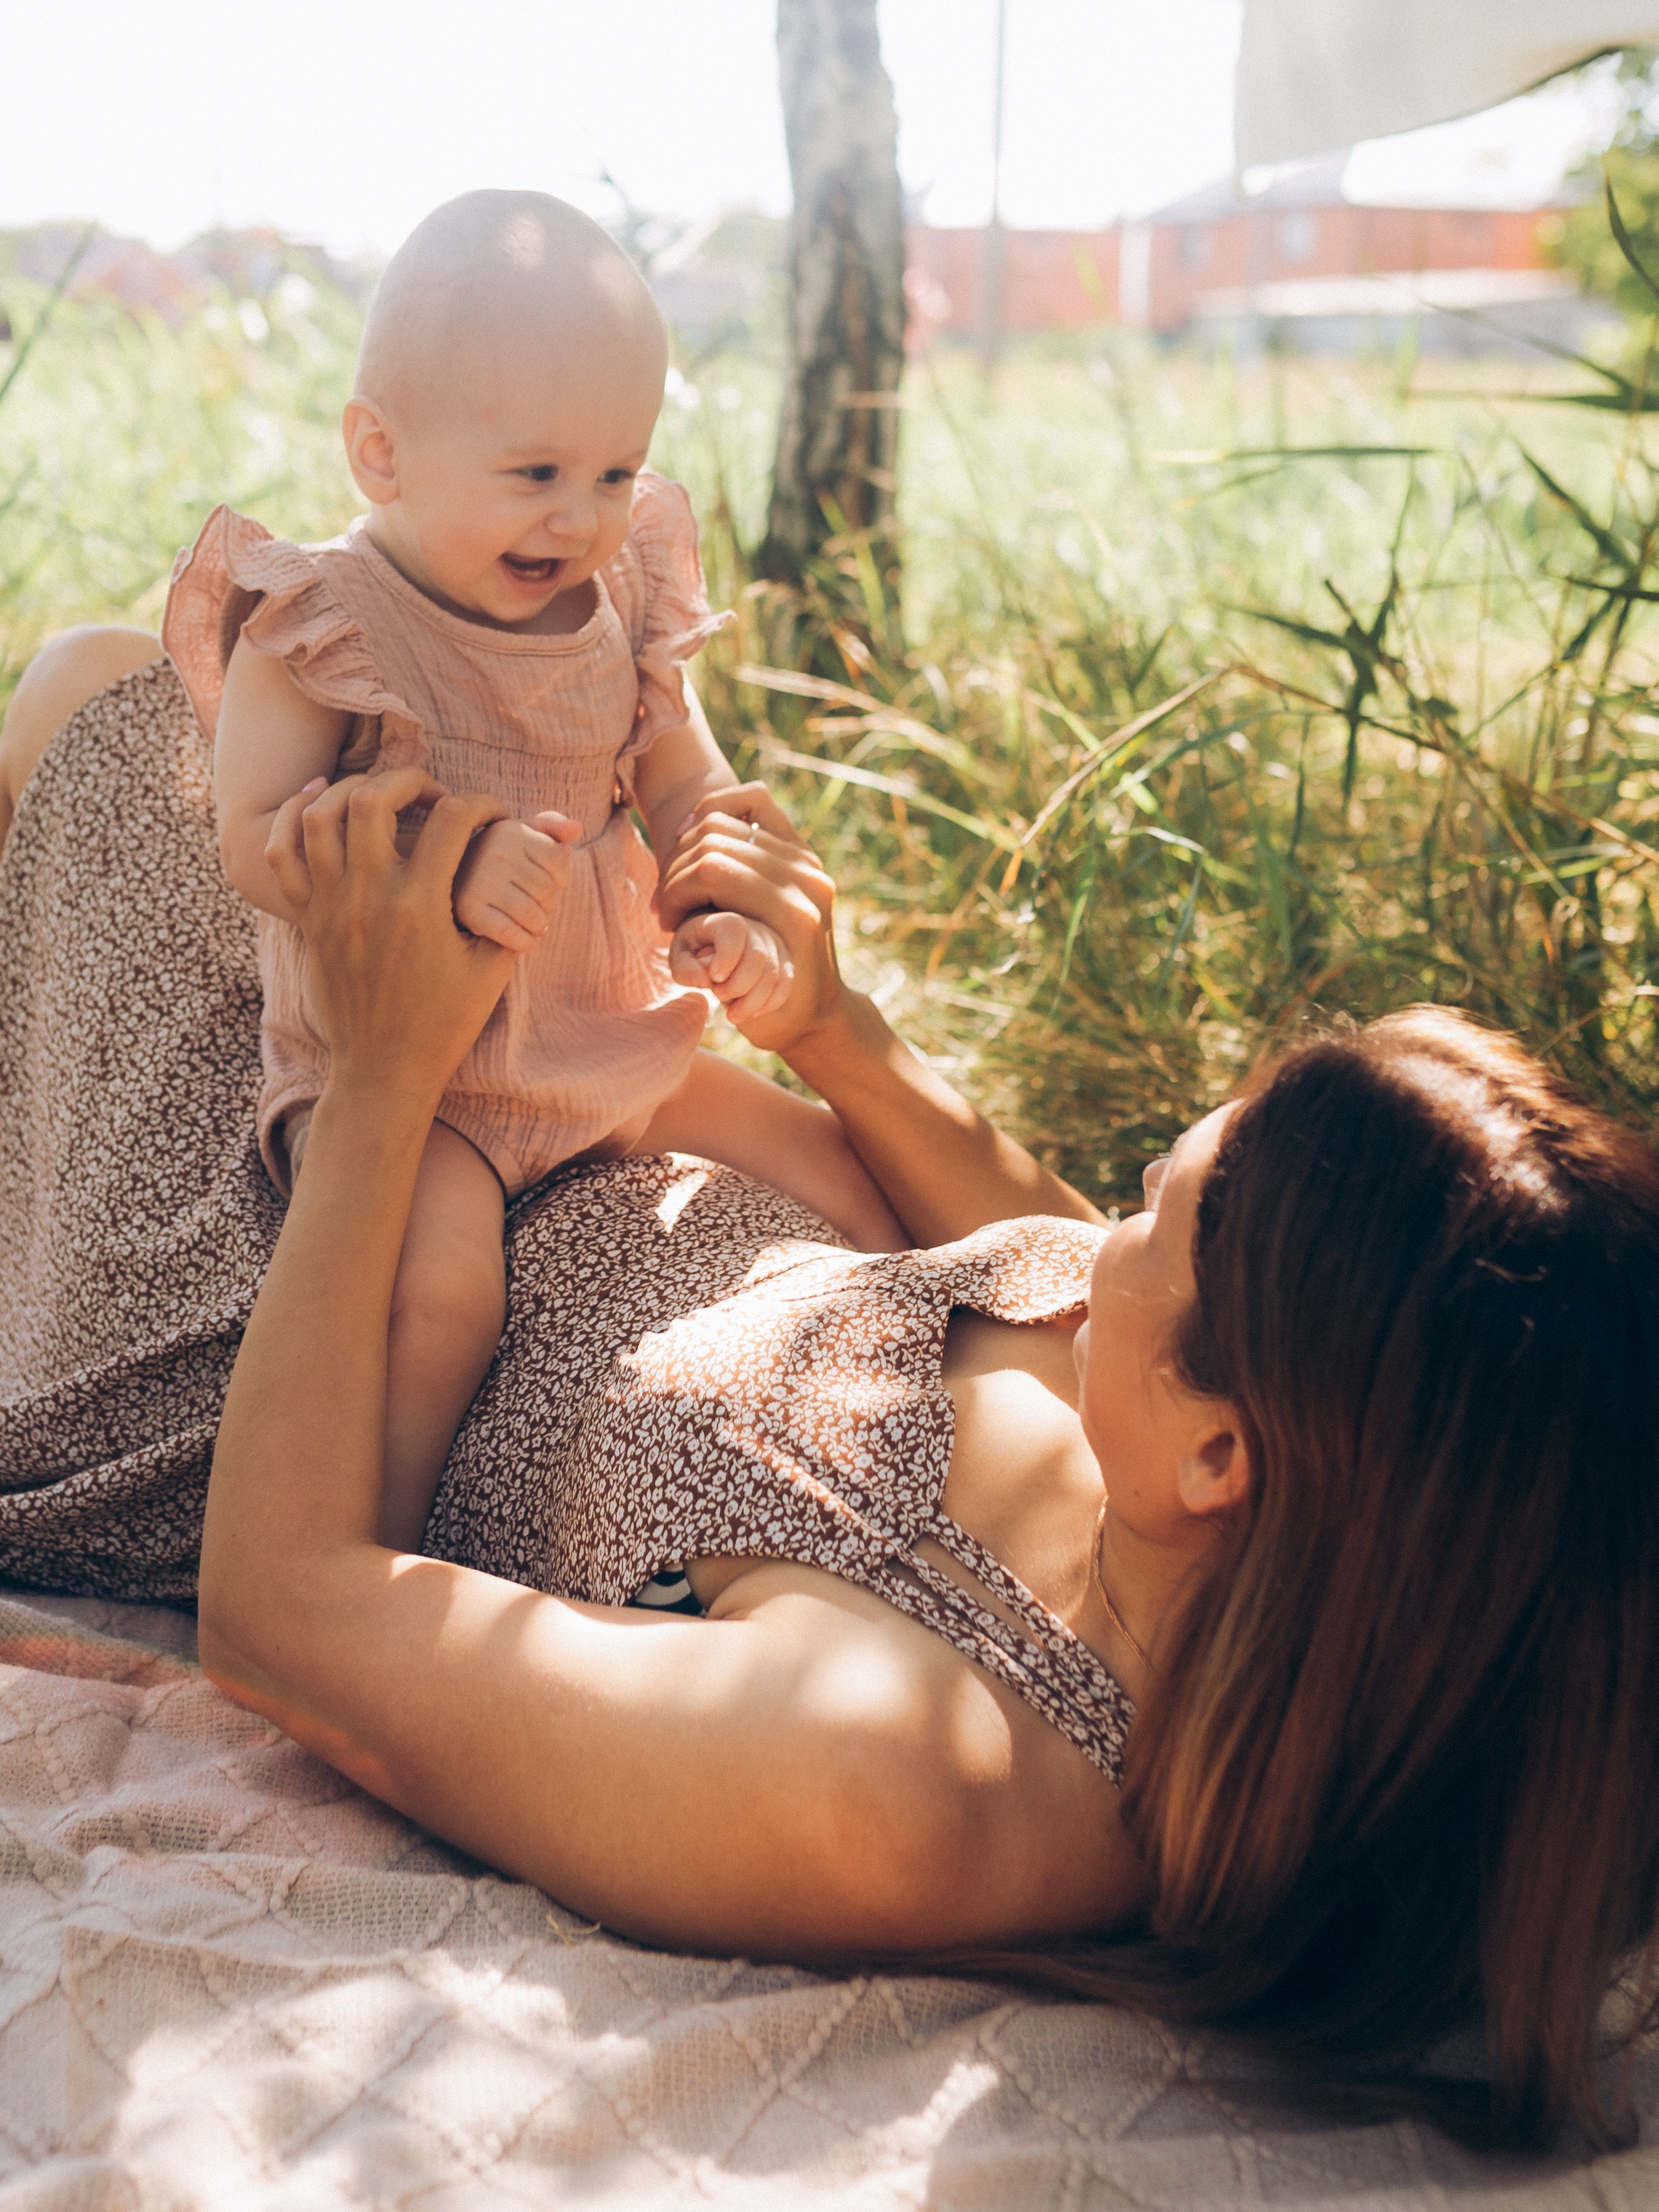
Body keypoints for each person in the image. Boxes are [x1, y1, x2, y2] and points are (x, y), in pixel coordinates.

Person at [5, 635, 1658, 2153]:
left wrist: (383, 1072)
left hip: (304, 1293)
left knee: (103, 720)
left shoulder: (901, 1786)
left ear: (1224, 1448)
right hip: (533, 1127)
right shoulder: (1233, 1520)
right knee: (214, 712)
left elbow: (282, 1612)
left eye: (1178, 1206)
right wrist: (836, 1027)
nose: (1130, 1187)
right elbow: (1043, 1246)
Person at [161, 188, 902, 1551]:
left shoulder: (618, 601)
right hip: (408, 1076)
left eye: (616, 474)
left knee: (835, 1171)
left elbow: (677, 765)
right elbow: (255, 840)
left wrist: (708, 878)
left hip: (599, 1039)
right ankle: (357, 1568)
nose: (580, 518)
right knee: (444, 1292)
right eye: (537, 474)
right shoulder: (327, 622)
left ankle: (904, 1433)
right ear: (380, 453)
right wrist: (429, 864)